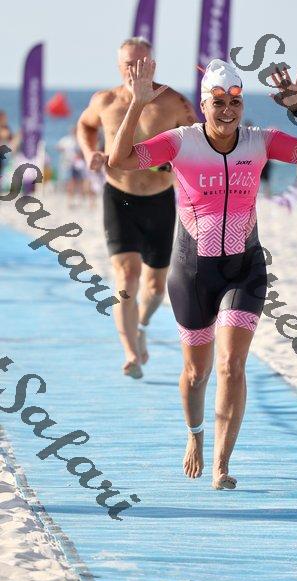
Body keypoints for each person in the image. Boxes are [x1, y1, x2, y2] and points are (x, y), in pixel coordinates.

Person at [109, 57, 297, 489]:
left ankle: (222, 464)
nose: (228, 110)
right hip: (193, 272)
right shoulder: (181, 142)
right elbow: (120, 160)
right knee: (197, 373)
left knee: (232, 364)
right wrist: (137, 103)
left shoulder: (260, 141)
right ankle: (195, 435)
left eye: (235, 101)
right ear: (204, 104)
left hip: (244, 269)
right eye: (218, 102)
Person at [77, 37, 197, 379]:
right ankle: (130, 352)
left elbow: (198, 140)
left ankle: (142, 325)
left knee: (156, 288)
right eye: (129, 64)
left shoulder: (174, 102)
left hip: (160, 199)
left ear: (153, 64)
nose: (136, 70)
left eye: (142, 63)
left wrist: (178, 163)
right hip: (119, 197)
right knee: (126, 275)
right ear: (119, 67)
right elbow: (85, 125)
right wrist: (89, 152)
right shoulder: (105, 100)